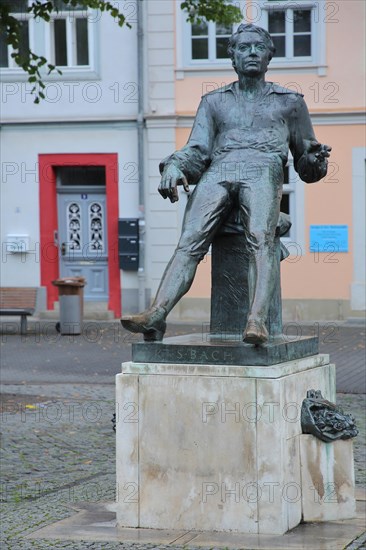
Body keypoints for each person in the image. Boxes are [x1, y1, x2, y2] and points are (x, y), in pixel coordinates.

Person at [121, 23, 331, 345]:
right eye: (243, 48)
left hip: (263, 168)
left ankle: (256, 320)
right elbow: (197, 151)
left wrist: (315, 161)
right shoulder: (214, 102)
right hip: (219, 170)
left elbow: (306, 166)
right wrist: (175, 166)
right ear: (232, 57)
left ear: (269, 56)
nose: (251, 53)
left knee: (261, 238)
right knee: (189, 240)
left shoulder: (290, 102)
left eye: (258, 48)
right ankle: (157, 313)